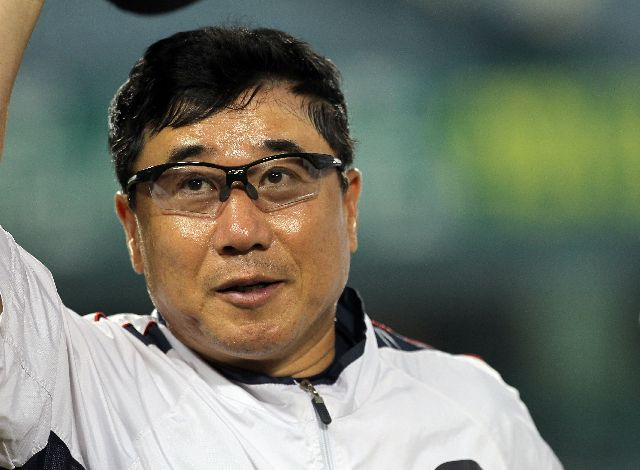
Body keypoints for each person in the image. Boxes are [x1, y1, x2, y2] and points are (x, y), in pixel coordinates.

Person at [0, 1, 562, 469]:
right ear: (133, 229)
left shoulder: (475, 411)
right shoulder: (72, 383)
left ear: (349, 205)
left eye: (278, 177)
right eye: (193, 184)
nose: (241, 231)